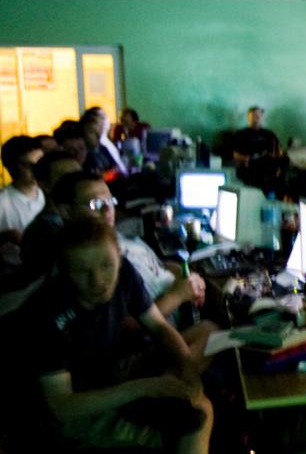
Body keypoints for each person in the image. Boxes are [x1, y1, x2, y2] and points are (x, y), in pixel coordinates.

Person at [15, 217, 213, 454]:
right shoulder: (45, 315)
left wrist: (187, 367)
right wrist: (146, 387)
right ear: (64, 271)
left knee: (207, 335)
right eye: (83, 271)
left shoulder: (125, 275)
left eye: (107, 266)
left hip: (113, 373)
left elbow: (159, 327)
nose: (98, 280)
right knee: (197, 416)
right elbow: (63, 406)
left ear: (119, 256)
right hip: (78, 411)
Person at [58, 171, 209, 328]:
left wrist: (186, 276)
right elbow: (126, 328)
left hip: (187, 306)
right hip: (163, 332)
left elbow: (158, 266)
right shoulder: (88, 262)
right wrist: (178, 295)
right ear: (66, 212)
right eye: (95, 204)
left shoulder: (120, 237)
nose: (107, 209)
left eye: (110, 201)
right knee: (209, 327)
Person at [18, 151, 82, 282]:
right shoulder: (41, 233)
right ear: (44, 185)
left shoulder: (77, 217)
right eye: (66, 177)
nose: (78, 181)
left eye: (79, 174)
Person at [0, 136, 45, 243]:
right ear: (11, 167)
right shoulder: (3, 201)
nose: (37, 170)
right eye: (28, 165)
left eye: (41, 163)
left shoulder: (49, 193)